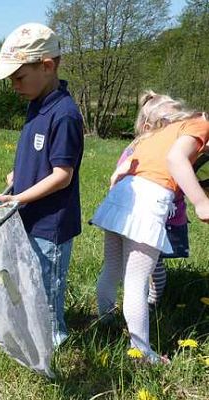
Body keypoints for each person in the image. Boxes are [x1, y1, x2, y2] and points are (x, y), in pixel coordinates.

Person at [92, 91, 209, 363]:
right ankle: (142, 353)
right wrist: (201, 202)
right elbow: (176, 161)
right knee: (135, 281)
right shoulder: (200, 124)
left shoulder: (154, 134)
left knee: (112, 267)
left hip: (123, 194)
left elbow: (121, 170)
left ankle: (106, 319)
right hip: (149, 199)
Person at [0, 23, 84, 347]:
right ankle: (28, 333)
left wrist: (18, 200)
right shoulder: (36, 104)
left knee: (46, 286)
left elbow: (62, 175)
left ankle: (53, 344)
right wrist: (18, 178)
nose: (14, 85)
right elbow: (38, 157)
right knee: (25, 279)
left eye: (18, 77)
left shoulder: (65, 113)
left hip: (50, 223)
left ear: (46, 66)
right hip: (28, 213)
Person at [115, 99, 190, 308]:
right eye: (171, 126)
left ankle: (153, 302)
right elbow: (122, 180)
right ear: (149, 128)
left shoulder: (178, 153)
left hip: (165, 217)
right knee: (136, 263)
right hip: (138, 215)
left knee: (155, 264)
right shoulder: (133, 151)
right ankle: (140, 300)